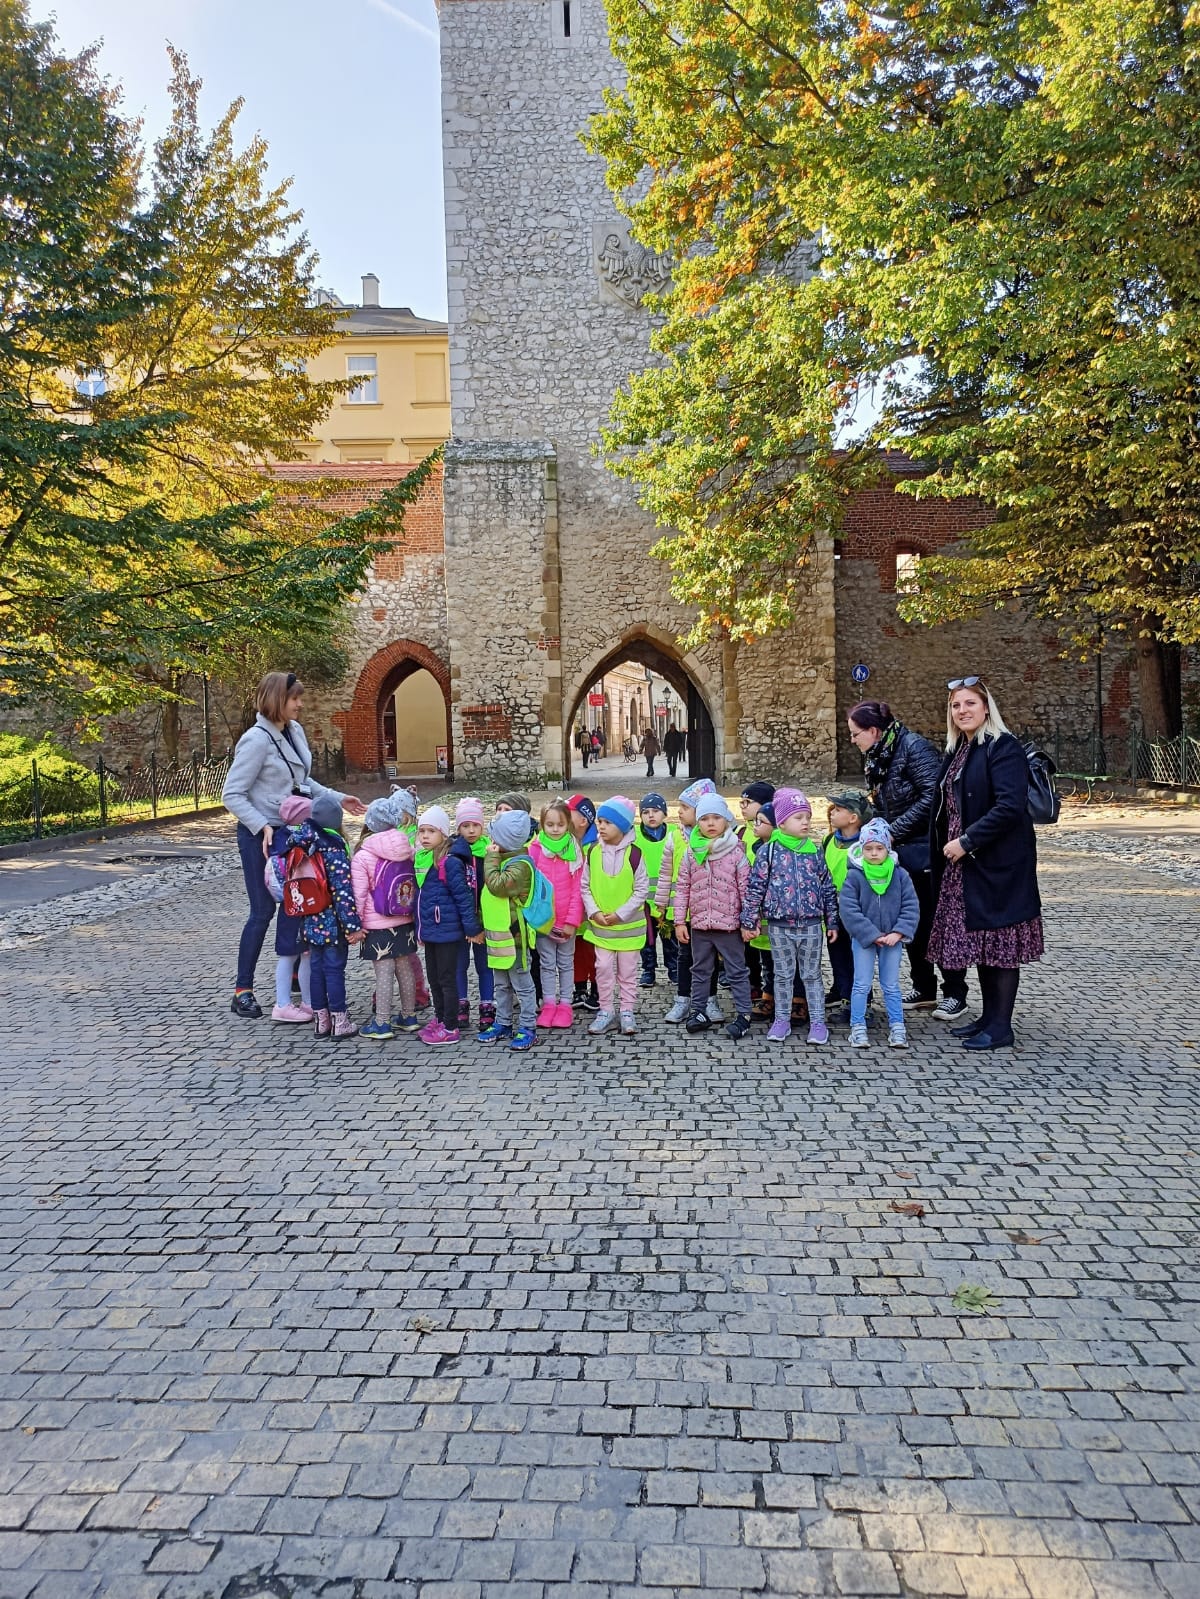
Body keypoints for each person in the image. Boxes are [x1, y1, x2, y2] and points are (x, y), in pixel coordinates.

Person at [221, 670, 366, 1019]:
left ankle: (297, 981)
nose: (300, 704)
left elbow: (303, 781)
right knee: (262, 911)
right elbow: (232, 794)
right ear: (277, 700)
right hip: (261, 836)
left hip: (292, 833)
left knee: (299, 903)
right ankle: (243, 990)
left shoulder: (294, 731)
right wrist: (260, 825)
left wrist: (337, 798)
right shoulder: (256, 740)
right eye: (294, 698)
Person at [927, 677, 1044, 1050]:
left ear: (986, 707)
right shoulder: (959, 749)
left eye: (969, 703)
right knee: (981, 941)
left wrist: (967, 841)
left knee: (1001, 943)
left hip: (996, 863)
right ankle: (988, 1017)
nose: (962, 711)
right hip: (964, 865)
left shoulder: (1003, 747)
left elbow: (1009, 806)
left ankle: (1001, 1026)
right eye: (955, 705)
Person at [847, 699, 969, 1022]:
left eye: (856, 734)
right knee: (909, 920)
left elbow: (933, 797)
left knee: (935, 920)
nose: (853, 740)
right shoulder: (879, 755)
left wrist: (892, 830)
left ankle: (955, 992)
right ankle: (923, 987)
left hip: (925, 848)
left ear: (874, 731)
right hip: (899, 851)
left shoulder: (914, 748)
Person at [740, 787, 838, 1046]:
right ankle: (781, 1020)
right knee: (782, 975)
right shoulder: (769, 852)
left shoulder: (814, 850)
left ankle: (818, 1022)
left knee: (812, 975)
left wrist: (832, 920)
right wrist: (749, 920)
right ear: (781, 823)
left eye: (807, 817)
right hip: (779, 926)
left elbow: (827, 886)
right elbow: (755, 888)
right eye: (798, 817)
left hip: (811, 925)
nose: (805, 822)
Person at [674, 794, 753, 1040]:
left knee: (737, 971)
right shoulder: (691, 853)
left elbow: (746, 890)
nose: (710, 823)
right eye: (704, 818)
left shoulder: (736, 853)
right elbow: (682, 888)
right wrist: (679, 921)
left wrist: (749, 922)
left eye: (716, 818)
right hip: (700, 925)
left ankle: (744, 1014)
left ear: (726, 820)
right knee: (700, 970)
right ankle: (698, 1011)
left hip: (729, 926)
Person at [839, 818, 920, 1049]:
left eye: (879, 848)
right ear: (861, 849)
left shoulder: (900, 875)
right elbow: (849, 909)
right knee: (861, 984)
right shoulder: (854, 875)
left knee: (891, 985)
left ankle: (897, 1027)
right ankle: (858, 1027)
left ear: (887, 849)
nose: (874, 853)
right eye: (868, 848)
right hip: (865, 940)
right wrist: (871, 934)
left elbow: (911, 907)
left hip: (893, 940)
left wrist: (899, 932)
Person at [294, 792, 365, 1040]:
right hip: (333, 922)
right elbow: (342, 892)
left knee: (317, 970)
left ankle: (321, 1021)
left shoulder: (302, 843)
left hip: (309, 918)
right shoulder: (333, 847)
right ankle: (339, 1020)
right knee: (334, 970)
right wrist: (353, 926)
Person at [351, 792, 419, 1040]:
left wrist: (355, 924)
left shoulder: (363, 855)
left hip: (377, 922)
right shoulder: (407, 848)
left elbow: (359, 894)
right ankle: (409, 1016)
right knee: (405, 968)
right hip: (405, 918)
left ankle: (381, 1023)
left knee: (384, 972)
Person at [582, 795, 650, 1036]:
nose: (601, 826)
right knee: (602, 968)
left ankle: (627, 1011)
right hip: (602, 929)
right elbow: (585, 886)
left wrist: (621, 914)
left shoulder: (635, 855)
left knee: (628, 972)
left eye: (607, 822)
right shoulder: (592, 852)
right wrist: (594, 912)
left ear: (622, 826)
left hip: (629, 930)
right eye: (599, 821)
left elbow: (641, 889)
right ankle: (606, 1010)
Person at [657, 778, 723, 1025]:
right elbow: (665, 874)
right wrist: (662, 904)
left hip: (711, 911)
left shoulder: (720, 842)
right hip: (684, 911)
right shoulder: (675, 838)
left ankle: (709, 1000)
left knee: (710, 957)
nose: (679, 812)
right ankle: (683, 999)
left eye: (685, 807)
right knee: (685, 956)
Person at [414, 804, 482, 1045]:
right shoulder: (422, 860)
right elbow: (420, 900)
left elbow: (463, 897)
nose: (425, 836)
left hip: (448, 931)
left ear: (443, 833)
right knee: (433, 978)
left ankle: (451, 1026)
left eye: (431, 831)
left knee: (446, 979)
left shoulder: (449, 862)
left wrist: (472, 928)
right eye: (422, 831)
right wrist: (419, 929)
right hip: (431, 931)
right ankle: (440, 1017)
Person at [480, 809, 539, 1049]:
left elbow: (497, 886)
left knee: (522, 985)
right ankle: (503, 1022)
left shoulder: (521, 865)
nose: (491, 841)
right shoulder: (505, 860)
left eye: (495, 837)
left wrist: (491, 858)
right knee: (501, 984)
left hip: (515, 938)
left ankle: (528, 1027)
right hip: (499, 937)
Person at [529, 800, 584, 1027]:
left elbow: (578, 889)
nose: (554, 829)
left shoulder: (574, 850)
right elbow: (530, 888)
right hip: (544, 922)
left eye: (560, 825)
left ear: (567, 824)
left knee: (566, 963)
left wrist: (572, 921)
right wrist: (537, 919)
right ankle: (549, 1004)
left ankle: (566, 1004)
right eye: (549, 824)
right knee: (546, 963)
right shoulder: (535, 850)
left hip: (566, 921)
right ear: (542, 824)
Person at [822, 789, 873, 1022]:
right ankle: (844, 996)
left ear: (853, 818)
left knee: (858, 959)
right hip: (833, 911)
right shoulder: (829, 840)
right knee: (838, 954)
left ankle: (863, 1004)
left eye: (839, 809)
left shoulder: (866, 845)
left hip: (858, 911)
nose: (832, 813)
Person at [267, 794, 315, 1024]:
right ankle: (283, 1004)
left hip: (292, 906)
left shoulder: (280, 838)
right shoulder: (300, 839)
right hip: (299, 904)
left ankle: (307, 1002)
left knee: (302, 955)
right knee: (292, 956)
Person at [453, 797, 496, 1031]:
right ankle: (461, 1004)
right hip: (460, 919)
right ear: (458, 827)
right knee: (459, 964)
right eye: (465, 825)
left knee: (485, 965)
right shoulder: (453, 853)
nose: (471, 830)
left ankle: (487, 1005)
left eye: (475, 825)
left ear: (482, 826)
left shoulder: (489, 851)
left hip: (485, 918)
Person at [635, 792, 681, 989]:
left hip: (668, 900)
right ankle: (648, 970)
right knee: (647, 939)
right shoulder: (634, 837)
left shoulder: (674, 834)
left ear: (665, 813)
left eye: (655, 811)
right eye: (646, 812)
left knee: (670, 938)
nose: (651, 815)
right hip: (643, 902)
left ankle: (674, 969)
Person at [567, 795, 601, 1009]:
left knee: (593, 951)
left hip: (592, 908)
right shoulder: (565, 841)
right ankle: (579, 989)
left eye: (568, 812)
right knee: (576, 949)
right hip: (572, 908)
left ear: (583, 820)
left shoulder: (597, 844)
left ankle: (597, 989)